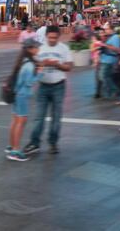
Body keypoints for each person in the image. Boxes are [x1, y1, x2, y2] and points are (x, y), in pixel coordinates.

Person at [23, 26, 72, 155]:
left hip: (58, 86)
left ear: (58, 37)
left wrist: (58, 65)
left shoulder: (64, 48)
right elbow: (32, 65)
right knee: (39, 117)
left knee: (56, 117)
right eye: (50, 37)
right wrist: (42, 64)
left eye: (55, 38)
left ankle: (53, 143)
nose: (52, 40)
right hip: (43, 86)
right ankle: (34, 142)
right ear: (46, 36)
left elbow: (69, 67)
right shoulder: (40, 48)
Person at [6, 39, 42, 162]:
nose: (38, 49)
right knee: (21, 122)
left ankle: (11, 147)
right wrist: (39, 74)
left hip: (17, 94)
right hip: (22, 95)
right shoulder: (29, 65)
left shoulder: (22, 61)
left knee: (15, 121)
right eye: (36, 47)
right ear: (30, 49)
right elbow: (29, 82)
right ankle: (15, 151)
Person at [97, 25, 120, 99]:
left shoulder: (116, 37)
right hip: (105, 59)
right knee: (106, 77)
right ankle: (111, 92)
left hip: (109, 60)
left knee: (104, 77)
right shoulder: (109, 37)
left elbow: (117, 49)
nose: (106, 31)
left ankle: (115, 90)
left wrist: (105, 45)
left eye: (107, 29)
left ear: (112, 29)